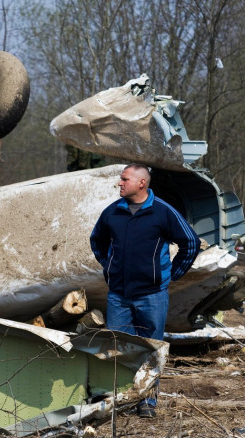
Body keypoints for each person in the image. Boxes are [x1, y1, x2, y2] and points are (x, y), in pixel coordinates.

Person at [90, 163, 200, 417]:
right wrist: (110, 267)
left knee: (150, 348)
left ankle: (147, 401)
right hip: (118, 295)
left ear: (142, 183)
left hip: (152, 295)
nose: (120, 183)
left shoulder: (162, 212)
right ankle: (122, 399)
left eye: (125, 179)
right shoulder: (113, 212)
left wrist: (172, 274)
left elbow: (190, 242)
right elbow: (97, 240)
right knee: (118, 348)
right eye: (121, 179)